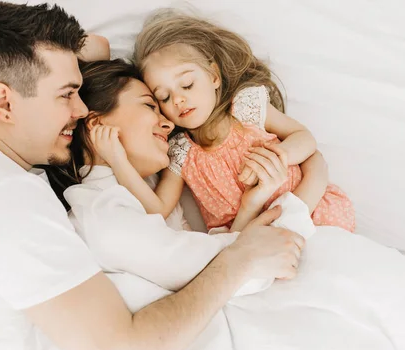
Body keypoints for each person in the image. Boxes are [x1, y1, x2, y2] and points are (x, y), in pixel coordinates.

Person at [0, 2, 304, 350]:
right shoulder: (2, 202)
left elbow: (90, 48)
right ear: (4, 103)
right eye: (66, 95)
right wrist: (241, 258)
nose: (81, 111)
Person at [52, 58, 405, 350]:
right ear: (94, 123)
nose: (167, 122)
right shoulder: (104, 212)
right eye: (149, 105)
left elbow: (216, 256)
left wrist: (252, 206)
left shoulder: (134, 200)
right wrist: (302, 195)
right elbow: (245, 266)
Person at [91, 10, 355, 233]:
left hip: (313, 211)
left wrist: (278, 155)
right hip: (247, 235)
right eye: (164, 97)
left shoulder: (244, 108)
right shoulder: (182, 152)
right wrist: (118, 161)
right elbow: (158, 208)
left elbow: (304, 137)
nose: (179, 100)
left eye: (187, 84)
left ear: (214, 76)